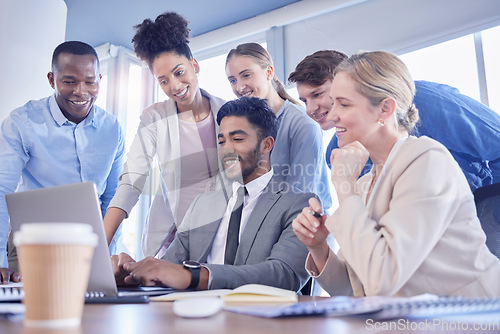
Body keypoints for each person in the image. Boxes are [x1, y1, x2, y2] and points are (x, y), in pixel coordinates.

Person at [292, 51, 500, 298]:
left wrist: (487, 204)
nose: (329, 113)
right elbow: (359, 287)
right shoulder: (357, 173)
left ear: (385, 109)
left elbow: (383, 278)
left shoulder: (427, 154)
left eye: (343, 103)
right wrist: (318, 247)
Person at [112, 97, 311, 291]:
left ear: (266, 145)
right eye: (222, 141)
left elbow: (285, 275)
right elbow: (169, 268)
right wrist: (133, 275)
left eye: (238, 139)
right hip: (195, 317)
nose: (226, 150)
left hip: (258, 320)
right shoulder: (202, 204)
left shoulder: (297, 205)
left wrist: (197, 276)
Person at [0, 41, 125, 283]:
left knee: (96, 313)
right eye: (69, 81)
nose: (81, 91)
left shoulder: (112, 129)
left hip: (89, 242)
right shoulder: (22, 122)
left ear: (99, 78)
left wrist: (105, 258)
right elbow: (0, 191)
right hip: (32, 241)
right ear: (51, 79)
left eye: (90, 81)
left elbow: (112, 198)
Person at [103, 12, 226, 258]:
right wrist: (99, 245)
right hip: (174, 239)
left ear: (195, 65)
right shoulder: (154, 118)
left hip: (223, 235)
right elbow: (131, 181)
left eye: (179, 72)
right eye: (164, 81)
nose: (175, 86)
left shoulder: (227, 113)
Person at [289, 50, 500, 191]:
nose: (310, 109)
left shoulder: (424, 100)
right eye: (304, 100)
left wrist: (489, 213)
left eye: (317, 95)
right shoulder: (337, 153)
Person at [225, 43, 332, 211]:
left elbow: (299, 200)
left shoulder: (302, 124)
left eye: (246, 75)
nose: (239, 87)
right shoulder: (246, 129)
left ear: (268, 72)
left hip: (300, 231)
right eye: (232, 80)